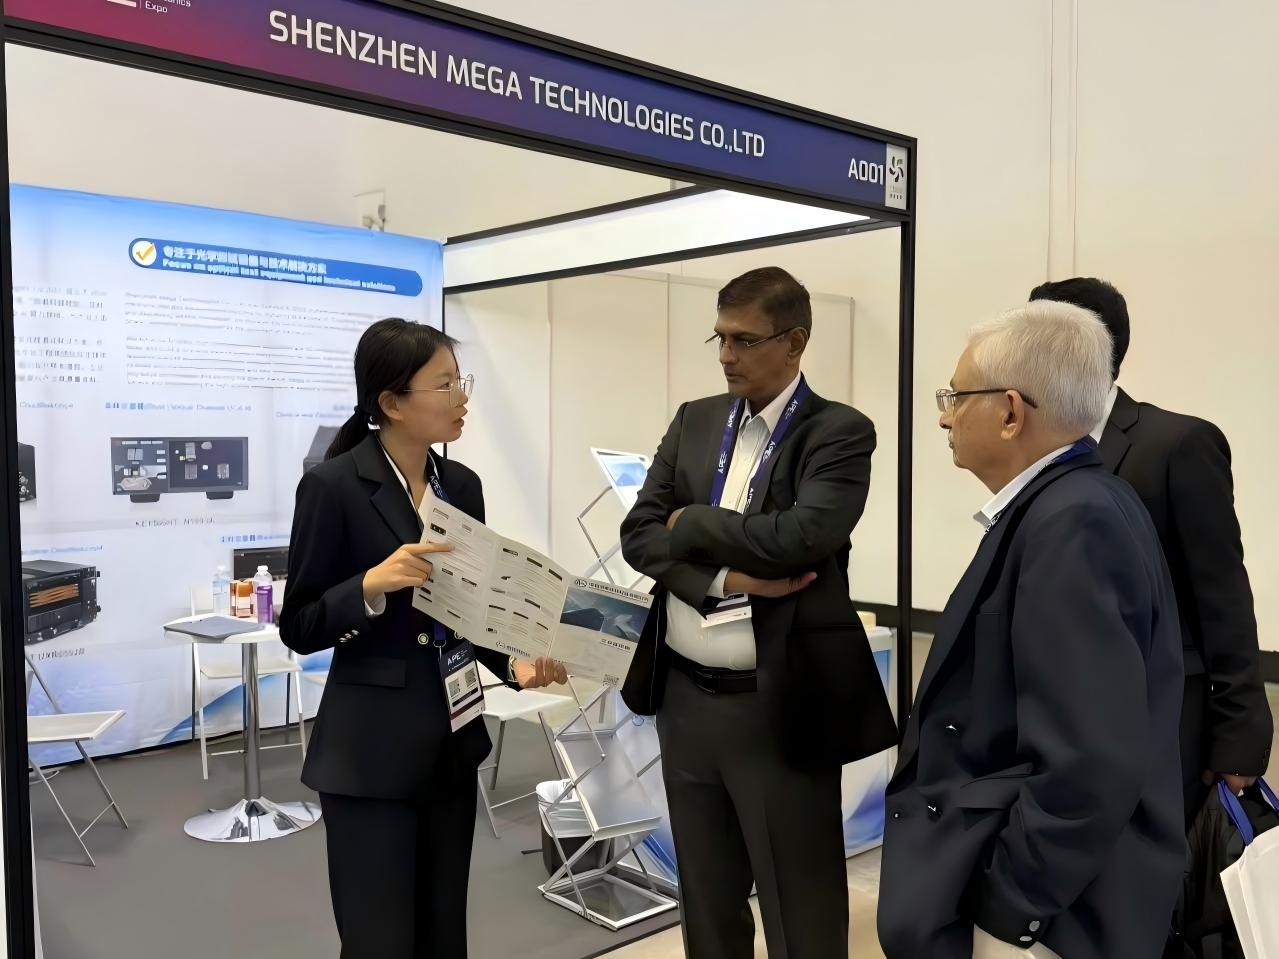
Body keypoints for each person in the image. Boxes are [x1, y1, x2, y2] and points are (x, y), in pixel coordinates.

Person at [878, 302, 1185, 959]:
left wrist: (1011, 908)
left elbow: (1088, 757)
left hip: (1050, 916)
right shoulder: (1075, 502)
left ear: (1011, 412)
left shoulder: (1072, 522)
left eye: (955, 397)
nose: (943, 416)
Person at [620, 267, 896, 958]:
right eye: (718, 338)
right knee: (707, 901)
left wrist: (690, 521)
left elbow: (800, 538)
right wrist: (725, 576)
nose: (725, 355)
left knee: (799, 905)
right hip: (686, 700)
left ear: (794, 342)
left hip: (777, 704)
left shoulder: (837, 432)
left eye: (743, 340)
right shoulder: (695, 419)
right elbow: (638, 535)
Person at [279, 318, 567, 959]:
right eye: (445, 385)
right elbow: (298, 624)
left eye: (462, 381)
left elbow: (469, 607)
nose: (462, 398)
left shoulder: (460, 485)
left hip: (452, 742)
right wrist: (369, 586)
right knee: (380, 938)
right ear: (391, 402)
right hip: (370, 753)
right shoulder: (332, 487)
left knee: (443, 933)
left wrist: (513, 662)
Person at [1029, 277, 1272, 820]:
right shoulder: (1035, 449)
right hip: (1062, 718)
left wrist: (1240, 738)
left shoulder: (1176, 444)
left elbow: (1223, 595)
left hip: (1163, 715)